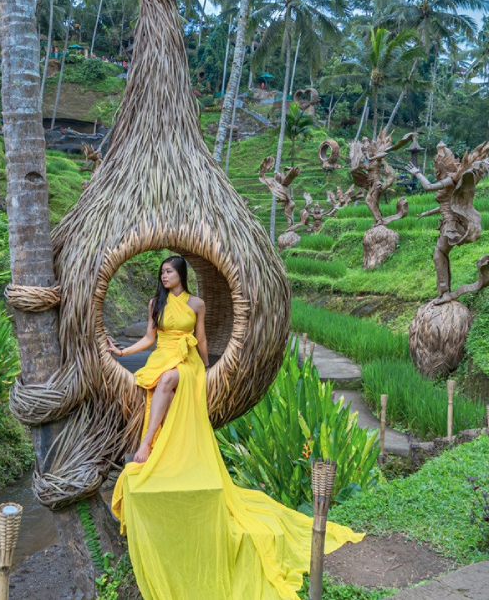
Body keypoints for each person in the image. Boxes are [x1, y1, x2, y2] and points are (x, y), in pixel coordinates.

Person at [107, 255, 363, 600]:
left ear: (181, 274)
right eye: (162, 272)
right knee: (161, 377)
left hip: (188, 363)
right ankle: (153, 444)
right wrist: (123, 353)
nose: (164, 276)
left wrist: (209, 373)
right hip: (162, 356)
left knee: (169, 379)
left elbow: (200, 339)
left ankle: (146, 444)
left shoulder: (196, 303)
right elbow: (149, 340)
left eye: (169, 271)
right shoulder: (157, 302)